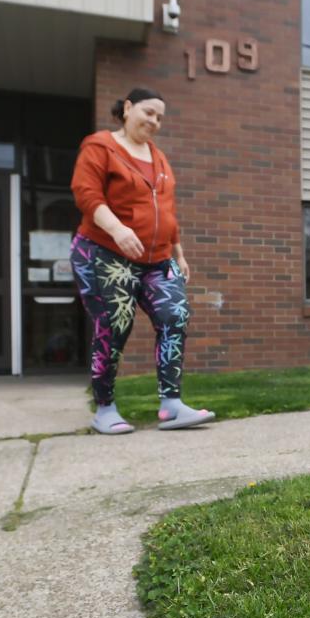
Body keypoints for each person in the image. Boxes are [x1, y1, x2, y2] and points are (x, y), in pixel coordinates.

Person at [69, 87, 215, 434]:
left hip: (157, 259)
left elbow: (166, 209)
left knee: (175, 316)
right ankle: (105, 409)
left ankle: (171, 406)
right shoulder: (100, 145)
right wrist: (117, 229)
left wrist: (178, 251)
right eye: (149, 113)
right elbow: (86, 194)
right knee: (115, 325)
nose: (155, 122)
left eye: (160, 117)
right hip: (103, 252)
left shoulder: (159, 157)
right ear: (128, 108)